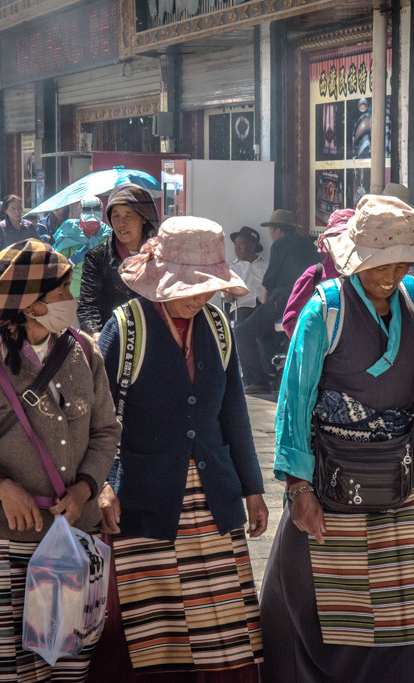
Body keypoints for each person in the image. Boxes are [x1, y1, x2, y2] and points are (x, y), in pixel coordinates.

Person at [260, 195, 414, 683]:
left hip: (399, 480)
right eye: (377, 264)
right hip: (331, 481)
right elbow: (295, 402)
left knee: (405, 612)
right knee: (321, 605)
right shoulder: (323, 311)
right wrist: (299, 489)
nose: (389, 276)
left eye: (399, 263)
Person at [0, 239, 119, 681]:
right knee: (7, 670)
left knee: (70, 664)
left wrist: (87, 486)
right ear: (28, 304)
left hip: (73, 536)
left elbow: (107, 430)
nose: (70, 301)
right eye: (61, 293)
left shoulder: (84, 352)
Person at [91, 216, 268, 681]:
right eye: (191, 287)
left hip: (212, 499)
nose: (199, 297)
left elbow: (233, 413)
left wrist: (252, 487)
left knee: (220, 623)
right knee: (152, 623)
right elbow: (99, 417)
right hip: (145, 497)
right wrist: (105, 484)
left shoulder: (217, 324)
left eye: (207, 288)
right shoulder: (125, 328)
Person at [234, 209, 319, 393]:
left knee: (242, 332)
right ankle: (271, 375)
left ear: (278, 230)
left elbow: (269, 280)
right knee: (264, 331)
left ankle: (257, 381)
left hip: (283, 300)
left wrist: (264, 308)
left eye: (271, 230)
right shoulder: (310, 246)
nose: (271, 235)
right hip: (309, 301)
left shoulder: (279, 245)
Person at [77, 183, 159, 338]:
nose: (122, 223)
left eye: (129, 215)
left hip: (153, 340)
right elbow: (87, 306)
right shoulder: (97, 258)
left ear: (143, 218)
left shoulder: (158, 255)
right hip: (113, 341)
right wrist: (96, 335)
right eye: (116, 215)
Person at [280, 208, 354, 337]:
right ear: (329, 241)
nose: (344, 244)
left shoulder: (367, 274)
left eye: (350, 239)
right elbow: (291, 321)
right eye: (338, 238)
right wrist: (317, 344)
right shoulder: (314, 275)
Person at [52, 197, 112, 298]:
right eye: (87, 209)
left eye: (97, 208)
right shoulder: (69, 231)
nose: (92, 213)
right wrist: (73, 260)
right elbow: (57, 269)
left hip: (98, 294)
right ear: (80, 211)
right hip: (73, 294)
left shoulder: (107, 234)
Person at [225, 225, 268, 324]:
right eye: (235, 244)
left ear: (252, 246)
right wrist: (227, 294)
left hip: (264, 307)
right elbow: (225, 292)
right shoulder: (231, 269)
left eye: (241, 244)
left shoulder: (266, 266)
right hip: (242, 307)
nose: (237, 248)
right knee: (244, 323)